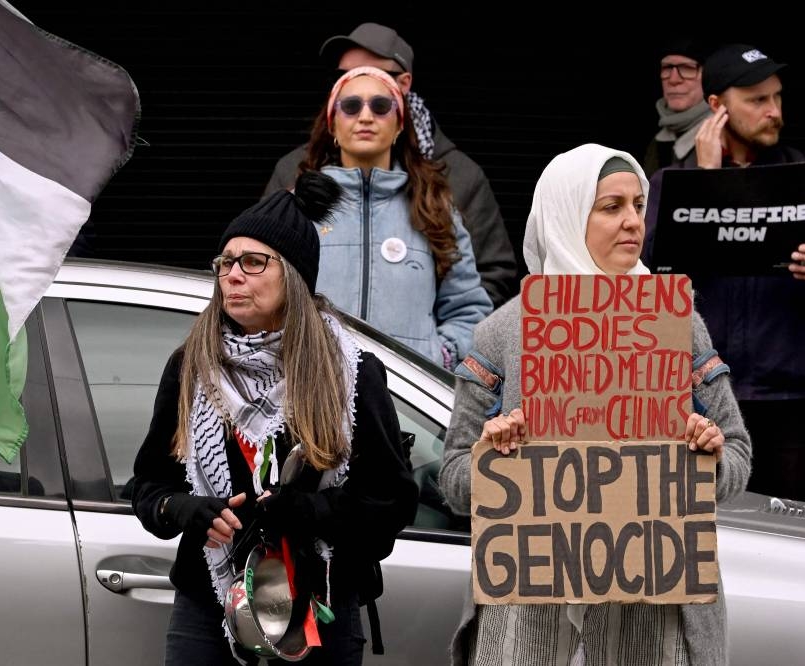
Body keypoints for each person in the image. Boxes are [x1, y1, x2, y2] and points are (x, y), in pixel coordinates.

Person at [438, 144, 752, 665]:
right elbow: (452, 482)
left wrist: (707, 456)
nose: (632, 222)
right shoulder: (502, 334)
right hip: (531, 612)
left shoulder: (677, 324)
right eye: (611, 207)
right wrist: (490, 461)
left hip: (651, 616)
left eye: (638, 205)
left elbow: (736, 457)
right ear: (565, 214)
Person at [132, 170, 419, 666]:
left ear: (293, 274)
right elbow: (148, 486)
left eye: (252, 261)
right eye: (225, 263)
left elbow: (390, 505)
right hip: (209, 606)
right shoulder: (191, 366)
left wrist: (308, 513)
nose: (233, 275)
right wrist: (186, 512)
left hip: (321, 608)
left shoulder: (349, 372)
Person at [643, 44, 805, 502]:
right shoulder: (671, 183)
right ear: (716, 107)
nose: (774, 112)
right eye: (757, 100)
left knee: (792, 533)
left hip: (792, 398)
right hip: (700, 397)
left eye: (777, 98)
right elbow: (650, 284)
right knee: (703, 528)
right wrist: (706, 184)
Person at [264, 22, 518, 308]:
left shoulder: (456, 176)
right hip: (316, 351)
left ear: (404, 84)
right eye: (344, 76)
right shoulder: (295, 172)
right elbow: (259, 269)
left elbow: (487, 280)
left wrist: (435, 345)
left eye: (375, 76)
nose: (358, 83)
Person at [291, 65, 492, 371]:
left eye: (381, 106)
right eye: (351, 106)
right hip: (314, 395)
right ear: (332, 125)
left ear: (400, 125)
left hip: (404, 405)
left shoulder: (434, 209)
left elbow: (469, 310)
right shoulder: (299, 207)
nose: (366, 116)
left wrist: (442, 357)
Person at [641, 38, 713, 176]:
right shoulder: (656, 141)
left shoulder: (726, 135)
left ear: (708, 75)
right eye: (667, 68)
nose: (674, 80)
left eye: (687, 68)